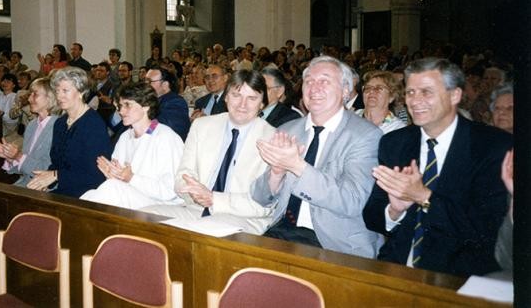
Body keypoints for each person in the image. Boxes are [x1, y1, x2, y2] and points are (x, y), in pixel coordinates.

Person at [362, 58, 512, 276]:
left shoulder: (491, 146)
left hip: (459, 275)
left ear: (455, 95)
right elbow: (372, 216)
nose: (415, 101)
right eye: (411, 92)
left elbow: (485, 230)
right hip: (397, 267)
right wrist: (394, 211)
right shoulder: (395, 143)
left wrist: (424, 197)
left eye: (426, 92)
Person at [252, 56, 384, 258]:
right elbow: (260, 197)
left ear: (346, 90)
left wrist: (297, 166)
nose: (314, 88)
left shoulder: (365, 135)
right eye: (309, 82)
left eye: (324, 81)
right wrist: (276, 173)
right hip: (282, 230)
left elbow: (351, 201)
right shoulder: (288, 129)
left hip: (334, 241)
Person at [143, 70, 276, 234]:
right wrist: (194, 192)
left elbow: (264, 205)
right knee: (144, 217)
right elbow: (183, 173)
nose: (243, 104)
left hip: (244, 217)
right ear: (226, 97)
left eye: (252, 98)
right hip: (197, 208)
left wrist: (214, 198)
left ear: (262, 103)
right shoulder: (202, 126)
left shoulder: (273, 139)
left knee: (205, 230)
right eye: (236, 95)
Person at [81, 82, 183, 209]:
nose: (121, 111)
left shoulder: (166, 137)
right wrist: (113, 176)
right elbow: (121, 182)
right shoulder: (125, 137)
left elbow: (171, 191)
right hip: (130, 197)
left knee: (112, 189)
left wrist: (131, 178)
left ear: (146, 106)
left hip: (162, 204)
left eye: (127, 105)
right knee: (89, 194)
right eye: (120, 106)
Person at [27, 67, 113, 197]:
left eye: (65, 91)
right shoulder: (60, 124)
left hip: (87, 195)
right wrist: (44, 182)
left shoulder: (93, 124)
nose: (59, 96)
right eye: (57, 91)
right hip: (64, 191)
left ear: (81, 92)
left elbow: (96, 175)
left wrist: (56, 176)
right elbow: (56, 164)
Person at [0, 78, 59, 187]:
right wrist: (9, 157)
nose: (30, 99)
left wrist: (17, 156)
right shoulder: (32, 125)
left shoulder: (58, 127)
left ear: (50, 98)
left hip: (45, 189)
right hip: (26, 183)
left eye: (35, 94)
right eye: (30, 94)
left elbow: (48, 170)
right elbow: (25, 168)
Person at [144, 68, 190, 141]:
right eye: (145, 80)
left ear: (165, 85)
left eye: (149, 81)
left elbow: (162, 124)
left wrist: (145, 131)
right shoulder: (148, 101)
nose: (145, 84)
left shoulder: (175, 102)